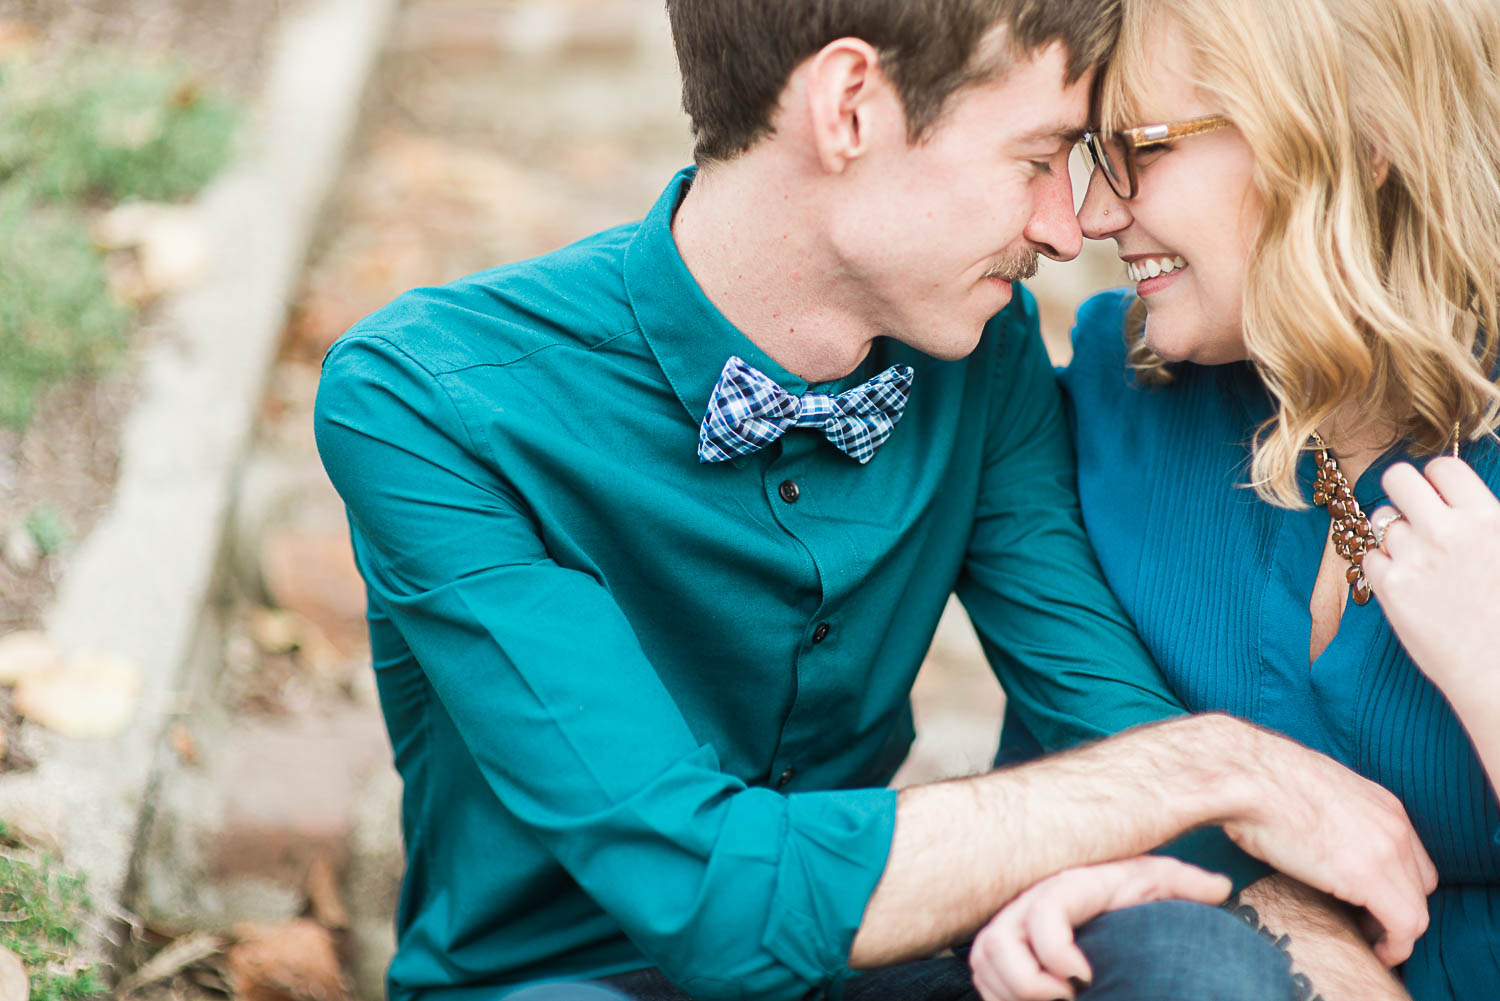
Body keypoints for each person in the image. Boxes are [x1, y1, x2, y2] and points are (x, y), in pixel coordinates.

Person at [313, 2, 1438, 999]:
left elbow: (1110, 716)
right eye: (1039, 156)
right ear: (850, 106)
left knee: (1194, 963)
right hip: (564, 973)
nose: (1068, 224)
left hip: (871, 954)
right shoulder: (427, 398)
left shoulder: (978, 353)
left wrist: (1286, 929)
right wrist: (1218, 761)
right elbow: (702, 891)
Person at [970, 0, 1500, 997]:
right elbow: (1070, 781)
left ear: (1362, 132)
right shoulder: (1109, 398)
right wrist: (1049, 893)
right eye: (1092, 153)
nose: (1093, 214)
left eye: (1142, 148)